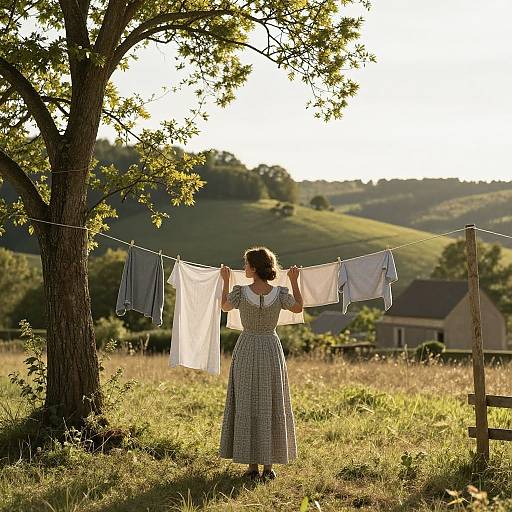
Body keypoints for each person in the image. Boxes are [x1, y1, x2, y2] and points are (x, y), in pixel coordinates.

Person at [218, 246, 303, 482]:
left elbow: (224, 306)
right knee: (269, 401)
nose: (243, 268)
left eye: (246, 264)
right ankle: (268, 467)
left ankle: (252, 466)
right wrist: (294, 281)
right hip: (270, 348)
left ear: (254, 268)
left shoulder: (241, 292)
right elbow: (298, 307)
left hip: (247, 346)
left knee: (248, 402)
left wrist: (225, 280)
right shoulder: (280, 293)